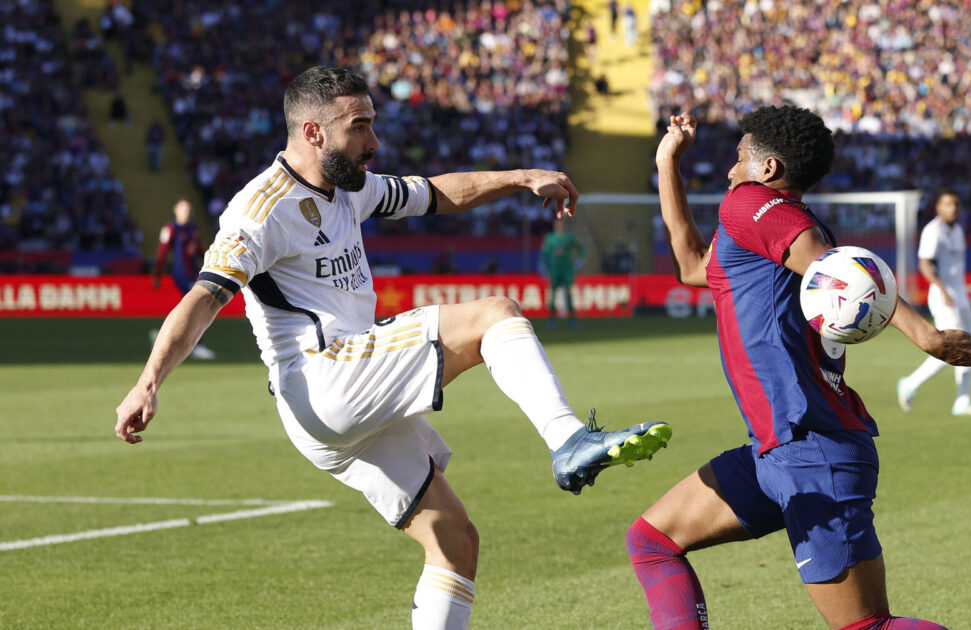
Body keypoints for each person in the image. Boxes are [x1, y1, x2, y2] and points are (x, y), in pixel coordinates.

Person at [114, 66, 672, 630]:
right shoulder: (261, 210)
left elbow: (435, 194)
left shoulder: (349, 188)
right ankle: (568, 439)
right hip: (325, 376)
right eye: (360, 127)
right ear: (312, 132)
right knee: (494, 315)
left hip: (326, 415)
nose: (374, 143)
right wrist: (149, 381)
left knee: (454, 542)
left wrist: (521, 177)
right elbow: (205, 297)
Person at [628, 107, 971, 630]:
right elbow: (691, 265)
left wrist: (925, 334)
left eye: (738, 158)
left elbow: (844, 272)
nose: (730, 171)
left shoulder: (752, 203)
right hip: (776, 449)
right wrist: (668, 163)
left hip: (811, 449)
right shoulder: (766, 225)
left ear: (769, 168)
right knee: (652, 541)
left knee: (868, 627)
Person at [896, 190, 971, 417]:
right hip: (943, 295)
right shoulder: (933, 231)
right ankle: (910, 383)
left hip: (959, 294)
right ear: (938, 207)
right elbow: (925, 264)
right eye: (948, 204)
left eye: (956, 204)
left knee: (970, 344)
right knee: (952, 346)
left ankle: (963, 401)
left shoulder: (957, 229)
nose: (953, 209)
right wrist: (941, 289)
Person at [151, 198, 214, 360]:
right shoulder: (170, 229)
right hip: (181, 274)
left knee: (190, 307)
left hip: (193, 273)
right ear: (176, 210)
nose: (186, 213)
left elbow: (200, 250)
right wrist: (157, 275)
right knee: (196, 306)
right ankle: (198, 345)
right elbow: (162, 253)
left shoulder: (193, 229)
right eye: (183, 209)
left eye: (188, 210)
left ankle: (161, 334)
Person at [539, 217, 585, 329]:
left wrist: (580, 260)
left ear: (564, 225)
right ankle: (552, 319)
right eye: (557, 224)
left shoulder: (569, 237)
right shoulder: (549, 238)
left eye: (561, 224)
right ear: (554, 225)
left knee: (568, 293)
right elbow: (544, 253)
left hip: (567, 269)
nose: (559, 226)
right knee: (553, 294)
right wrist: (542, 266)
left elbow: (581, 248)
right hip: (554, 269)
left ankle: (573, 319)